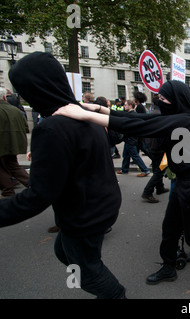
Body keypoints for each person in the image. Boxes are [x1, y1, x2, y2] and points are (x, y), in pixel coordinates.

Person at [54, 80, 190, 292]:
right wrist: (100, 108)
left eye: (164, 98)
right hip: (184, 182)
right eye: (159, 97)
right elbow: (137, 117)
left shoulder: (184, 121)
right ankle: (168, 267)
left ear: (177, 100)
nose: (160, 101)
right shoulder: (173, 117)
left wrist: (85, 115)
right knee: (170, 230)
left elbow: (139, 125)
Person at [0, 52, 126, 299]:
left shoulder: (52, 127)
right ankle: (93, 277)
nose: (24, 97)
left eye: (24, 90)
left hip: (84, 215)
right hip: (101, 206)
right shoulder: (82, 113)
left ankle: (113, 294)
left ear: (36, 88)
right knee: (66, 253)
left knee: (90, 272)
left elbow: (36, 196)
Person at [0, 87, 30, 198]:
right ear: (4, 97)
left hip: (2, 145)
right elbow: (26, 127)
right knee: (13, 166)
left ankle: (8, 192)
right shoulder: (16, 110)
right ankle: (32, 184)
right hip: (14, 144)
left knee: (2, 169)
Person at [141, 98, 169, 203]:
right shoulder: (161, 115)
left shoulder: (151, 112)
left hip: (151, 146)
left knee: (157, 168)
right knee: (159, 171)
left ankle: (160, 188)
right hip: (158, 147)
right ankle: (147, 192)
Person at [116, 100, 150, 177]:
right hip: (129, 138)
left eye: (125, 105)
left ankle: (145, 170)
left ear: (130, 106)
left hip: (130, 138)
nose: (124, 106)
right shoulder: (134, 114)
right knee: (126, 155)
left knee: (135, 156)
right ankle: (124, 170)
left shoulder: (131, 115)